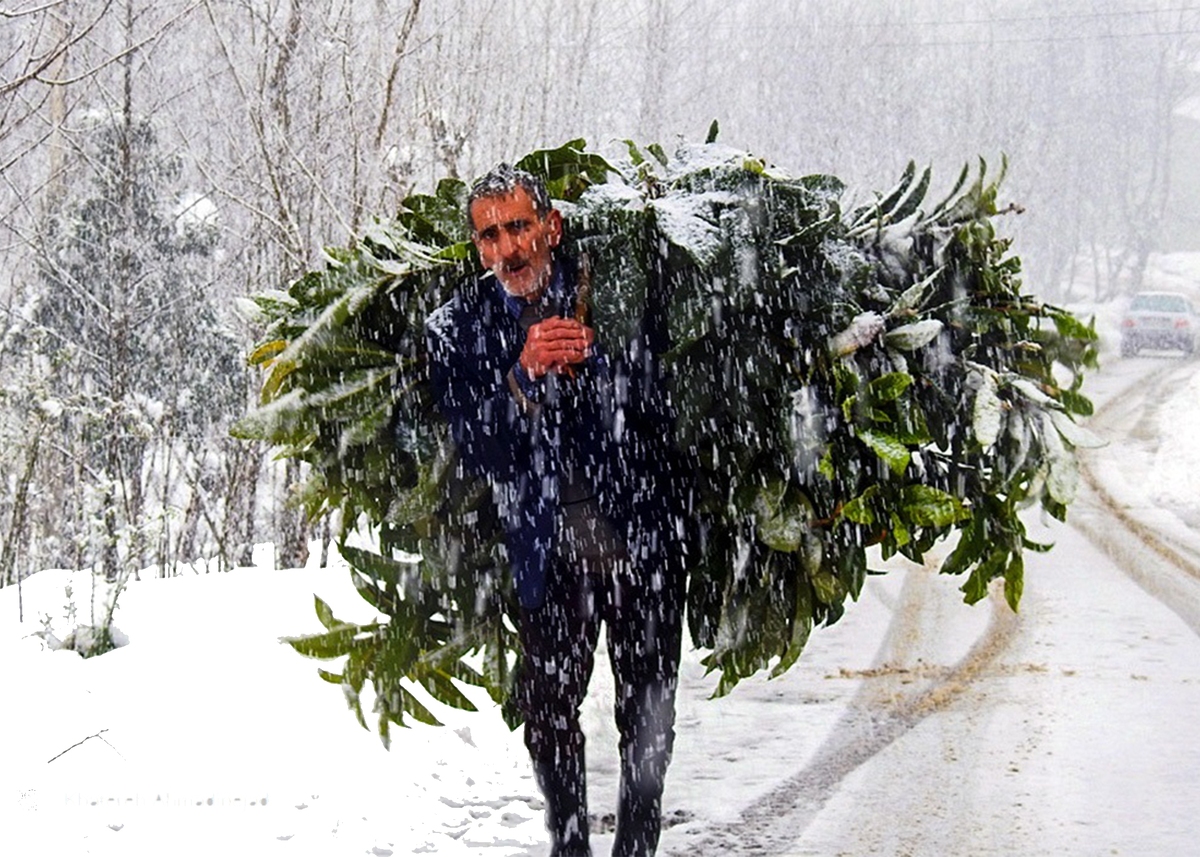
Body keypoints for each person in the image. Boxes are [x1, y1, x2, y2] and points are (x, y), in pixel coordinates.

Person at [426, 164, 690, 857]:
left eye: (518, 227)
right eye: (489, 235)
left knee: (649, 711)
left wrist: (601, 361)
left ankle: (637, 846)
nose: (507, 249)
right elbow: (469, 447)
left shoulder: (622, 291)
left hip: (643, 543)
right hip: (548, 552)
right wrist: (520, 374)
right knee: (546, 712)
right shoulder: (460, 325)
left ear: (552, 226)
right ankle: (570, 845)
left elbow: (675, 405)